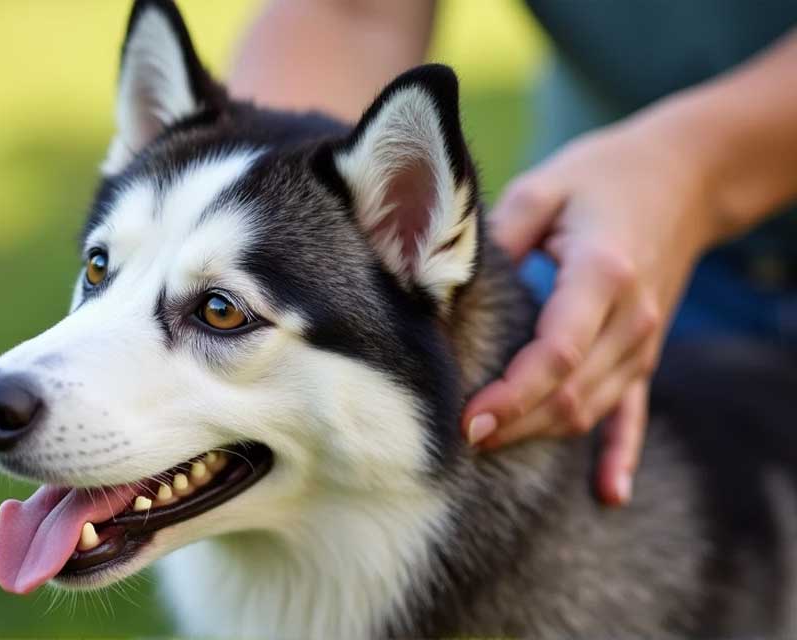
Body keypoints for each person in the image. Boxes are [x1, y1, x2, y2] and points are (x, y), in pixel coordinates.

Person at [229, 0, 797, 505]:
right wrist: (258, 224)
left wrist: (690, 172)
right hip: (593, 250)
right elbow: (354, 12)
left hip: (638, 207)